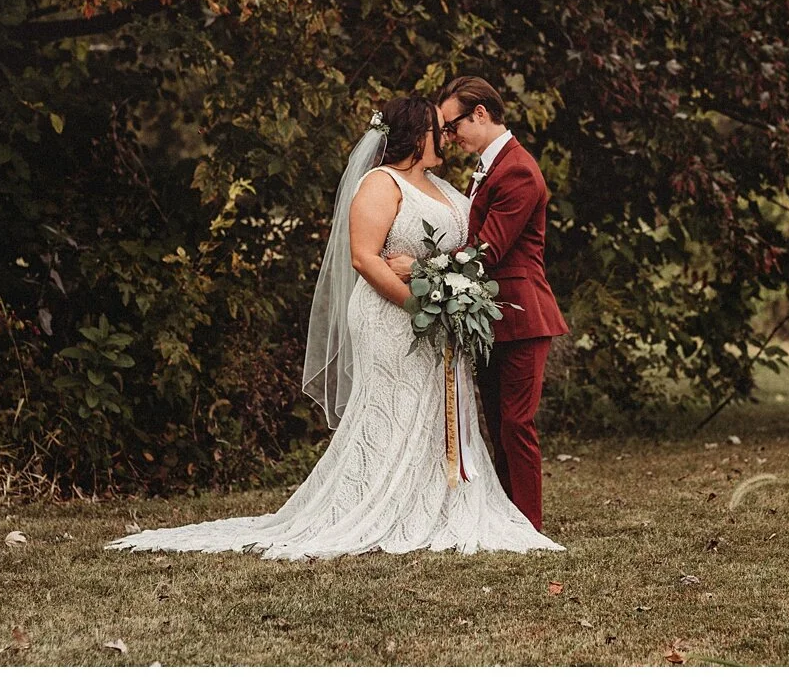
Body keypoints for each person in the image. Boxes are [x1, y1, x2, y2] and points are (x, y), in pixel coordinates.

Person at [105, 96, 563, 558]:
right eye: (436, 129)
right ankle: (378, 503)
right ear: (415, 135)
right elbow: (364, 257)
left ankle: (437, 503)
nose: (445, 136)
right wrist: (417, 304)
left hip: (436, 321)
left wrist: (440, 297)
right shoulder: (380, 183)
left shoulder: (443, 186)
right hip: (393, 317)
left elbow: (469, 248)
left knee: (432, 416)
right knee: (392, 410)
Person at [388, 76, 569, 532]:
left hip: (523, 314)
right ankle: (509, 518)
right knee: (498, 423)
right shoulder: (490, 167)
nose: (448, 137)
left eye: (452, 126)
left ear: (481, 113)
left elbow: (487, 251)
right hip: (491, 315)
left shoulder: (518, 170)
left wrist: (419, 267)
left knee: (516, 423)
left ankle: (528, 525)